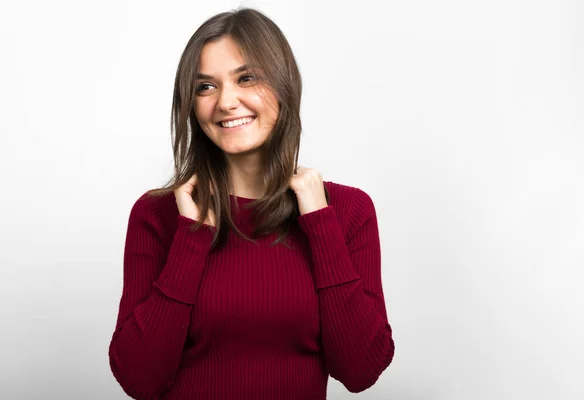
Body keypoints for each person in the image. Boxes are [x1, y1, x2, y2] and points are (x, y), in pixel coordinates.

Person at [108, 7, 394, 400]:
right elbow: (139, 379)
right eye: (205, 86)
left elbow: (360, 370)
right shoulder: (157, 215)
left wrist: (320, 224)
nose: (226, 102)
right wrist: (191, 239)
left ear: (283, 84)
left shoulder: (346, 212)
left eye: (247, 78)